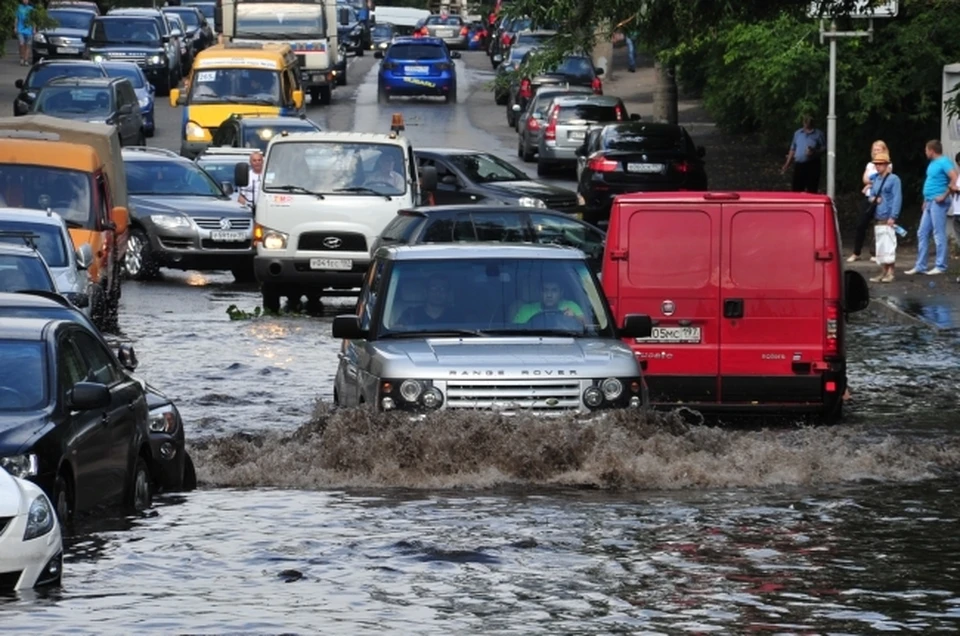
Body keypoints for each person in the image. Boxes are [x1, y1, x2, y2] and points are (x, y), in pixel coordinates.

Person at [905, 140, 959, 276]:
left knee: (938, 232)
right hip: (929, 201)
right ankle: (920, 265)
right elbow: (931, 182)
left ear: (931, 150)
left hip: (938, 202)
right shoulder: (932, 164)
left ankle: (941, 265)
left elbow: (954, 177)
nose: (925, 152)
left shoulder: (944, 162)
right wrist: (925, 199)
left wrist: (944, 195)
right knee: (922, 232)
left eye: (926, 149)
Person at [847, 140, 891, 263]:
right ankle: (856, 252)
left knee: (878, 225)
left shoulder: (888, 165)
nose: (876, 152)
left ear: (884, 151)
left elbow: (884, 179)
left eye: (879, 149)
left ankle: (876, 252)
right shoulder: (870, 165)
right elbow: (865, 179)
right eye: (874, 150)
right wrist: (870, 183)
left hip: (880, 198)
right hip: (868, 198)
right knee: (861, 224)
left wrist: (869, 184)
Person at [866, 153, 901, 283]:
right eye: (876, 164)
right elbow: (871, 195)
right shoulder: (876, 180)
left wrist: (893, 216)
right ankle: (883, 270)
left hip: (888, 215)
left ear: (887, 164)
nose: (878, 166)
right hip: (879, 215)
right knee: (881, 244)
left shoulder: (894, 179)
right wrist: (874, 199)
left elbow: (897, 198)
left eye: (880, 164)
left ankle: (891, 271)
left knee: (889, 244)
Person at [781, 115, 825, 193]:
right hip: (799, 165)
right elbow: (793, 149)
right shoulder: (798, 133)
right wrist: (787, 164)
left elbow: (824, 148)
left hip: (813, 165)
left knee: (812, 188)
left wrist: (814, 152)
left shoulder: (818, 134)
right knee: (796, 188)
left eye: (808, 123)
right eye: (805, 122)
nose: (806, 124)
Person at [513, 277, 584, 324]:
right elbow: (515, 333)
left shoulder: (570, 306)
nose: (549, 295)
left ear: (561, 293)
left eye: (554, 290)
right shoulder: (526, 310)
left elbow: (586, 327)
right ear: (540, 292)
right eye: (545, 290)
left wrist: (574, 319)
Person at [14, 0, 34, 67]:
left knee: (28, 45)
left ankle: (26, 60)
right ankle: (22, 58)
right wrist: (15, 27)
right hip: (20, 29)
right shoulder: (19, 8)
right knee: (21, 43)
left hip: (29, 30)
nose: (25, 1)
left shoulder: (31, 9)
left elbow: (33, 20)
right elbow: (16, 18)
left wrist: (34, 29)